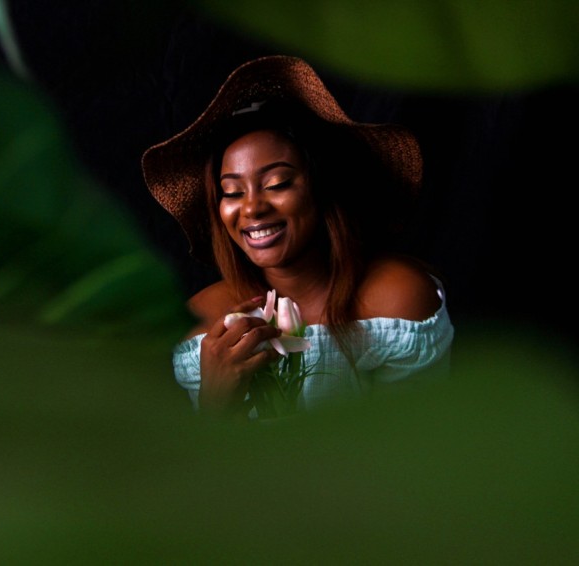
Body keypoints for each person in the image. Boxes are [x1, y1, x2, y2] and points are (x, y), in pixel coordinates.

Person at [141, 55, 454, 418]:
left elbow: (412, 454)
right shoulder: (202, 320)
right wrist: (217, 398)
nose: (252, 208)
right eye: (231, 191)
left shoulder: (395, 300)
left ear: (323, 188)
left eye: (277, 183)